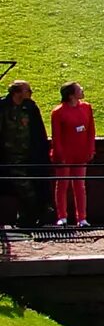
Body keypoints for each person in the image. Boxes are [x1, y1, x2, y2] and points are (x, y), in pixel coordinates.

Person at [0, 80, 49, 231]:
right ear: (17, 92)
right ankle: (26, 218)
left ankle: (28, 219)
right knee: (24, 188)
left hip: (28, 156)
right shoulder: (3, 107)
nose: (31, 93)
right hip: (8, 156)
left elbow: (39, 131)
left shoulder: (30, 107)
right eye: (28, 90)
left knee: (30, 187)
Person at [47, 81, 95, 231]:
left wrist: (90, 149)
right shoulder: (58, 112)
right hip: (65, 155)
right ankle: (62, 216)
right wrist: (60, 154)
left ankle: (82, 218)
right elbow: (57, 136)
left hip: (80, 153)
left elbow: (91, 131)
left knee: (80, 186)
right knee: (62, 186)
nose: (82, 90)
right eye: (79, 89)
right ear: (71, 94)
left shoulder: (86, 107)